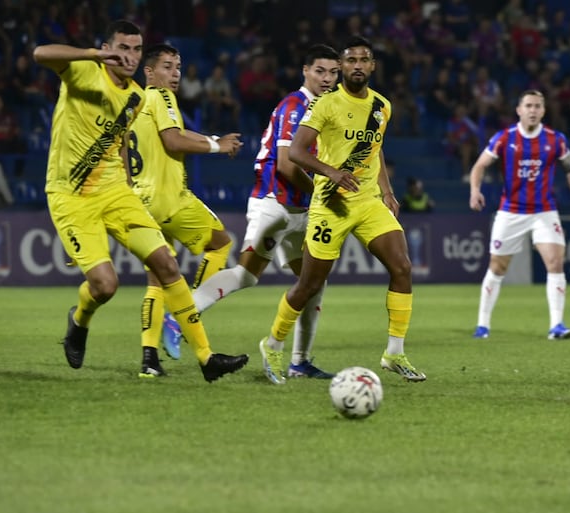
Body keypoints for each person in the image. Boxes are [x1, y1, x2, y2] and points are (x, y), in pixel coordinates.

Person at [32, 20, 248, 382]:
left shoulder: (135, 96)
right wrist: (94, 54)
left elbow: (118, 145)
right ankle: (79, 319)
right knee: (105, 285)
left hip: (118, 192)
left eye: (135, 49)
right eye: (123, 47)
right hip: (71, 197)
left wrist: (129, 189)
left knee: (166, 263)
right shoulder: (85, 72)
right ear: (107, 47)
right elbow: (40, 54)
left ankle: (206, 358)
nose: (128, 56)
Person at [165, 44, 342, 380]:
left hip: (301, 210)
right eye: (320, 71)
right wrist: (324, 192)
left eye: (333, 72)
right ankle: (179, 314)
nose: (327, 78)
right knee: (247, 275)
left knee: (314, 282)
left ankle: (300, 362)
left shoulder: (325, 109)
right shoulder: (296, 106)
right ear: (305, 71)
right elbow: (289, 167)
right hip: (276, 203)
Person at [256, 36, 427, 384]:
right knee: (309, 284)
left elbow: (374, 146)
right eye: (352, 61)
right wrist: (333, 173)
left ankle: (394, 353)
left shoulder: (382, 106)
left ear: (373, 65)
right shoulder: (325, 105)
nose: (359, 66)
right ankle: (272, 345)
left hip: (367, 202)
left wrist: (387, 190)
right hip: (331, 204)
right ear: (343, 67)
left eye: (365, 59)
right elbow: (298, 153)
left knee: (402, 267)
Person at [128, 43, 244, 377]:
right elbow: (174, 141)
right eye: (166, 66)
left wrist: (210, 137)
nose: (175, 73)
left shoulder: (133, 102)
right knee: (220, 244)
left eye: (178, 67)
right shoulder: (161, 97)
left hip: (139, 200)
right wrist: (217, 145)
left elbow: (173, 134)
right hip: (169, 199)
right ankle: (184, 314)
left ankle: (149, 360)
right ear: (149, 72)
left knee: (157, 279)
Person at [468, 89, 570, 340]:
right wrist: (475, 190)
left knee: (555, 263)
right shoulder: (504, 138)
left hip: (544, 211)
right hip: (510, 211)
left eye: (537, 106)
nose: (533, 110)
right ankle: (483, 325)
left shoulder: (556, 140)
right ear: (519, 110)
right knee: (498, 267)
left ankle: (557, 325)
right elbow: (479, 165)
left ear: (543, 111)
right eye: (528, 106)